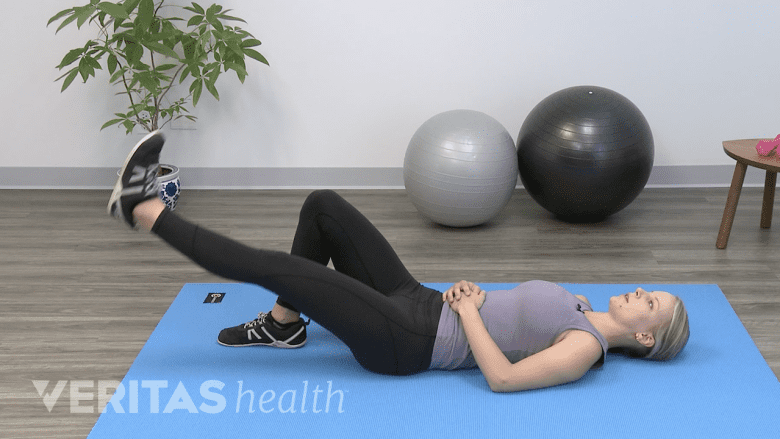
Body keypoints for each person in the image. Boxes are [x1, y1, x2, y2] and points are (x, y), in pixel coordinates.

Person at [108, 132, 690, 392]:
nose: (643, 292)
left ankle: (144, 209)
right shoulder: (581, 310)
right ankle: (283, 328)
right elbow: (519, 320)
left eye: (652, 304)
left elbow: (505, 378)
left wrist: (468, 317)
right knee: (324, 207)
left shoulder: (585, 348)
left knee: (280, 270)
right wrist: (468, 299)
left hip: (409, 341)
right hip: (422, 302)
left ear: (644, 338)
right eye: (651, 291)